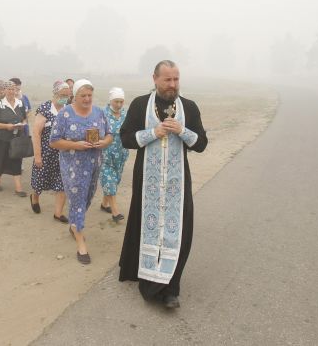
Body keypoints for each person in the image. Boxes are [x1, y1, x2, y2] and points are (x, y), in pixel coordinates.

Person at [118, 60, 208, 310]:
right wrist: (152, 133)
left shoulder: (188, 107)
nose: (172, 85)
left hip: (177, 184)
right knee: (145, 226)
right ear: (155, 79)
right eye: (167, 79)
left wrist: (182, 130)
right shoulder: (139, 105)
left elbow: (201, 144)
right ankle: (147, 278)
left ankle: (170, 289)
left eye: (176, 79)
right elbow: (125, 138)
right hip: (147, 181)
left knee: (178, 232)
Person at [49, 79, 112, 265]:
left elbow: (109, 134)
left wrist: (104, 142)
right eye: (83, 95)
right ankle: (81, 243)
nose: (86, 99)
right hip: (73, 167)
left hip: (94, 164)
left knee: (87, 198)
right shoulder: (65, 114)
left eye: (89, 95)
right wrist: (75, 145)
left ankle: (75, 225)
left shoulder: (99, 112)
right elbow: (54, 141)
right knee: (77, 200)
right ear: (74, 96)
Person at [30, 81, 70, 222]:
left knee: (62, 183)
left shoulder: (68, 109)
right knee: (40, 180)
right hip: (46, 152)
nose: (65, 97)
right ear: (55, 93)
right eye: (62, 95)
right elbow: (36, 133)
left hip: (63, 154)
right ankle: (35, 196)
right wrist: (37, 156)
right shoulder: (45, 108)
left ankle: (58, 213)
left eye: (67, 95)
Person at [0, 81, 28, 196]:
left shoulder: (20, 103)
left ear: (16, 91)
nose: (11, 91)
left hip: (16, 139)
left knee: (16, 161)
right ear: (4, 90)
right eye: (9, 89)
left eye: (13, 89)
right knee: (0, 160)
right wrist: (6, 126)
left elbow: (24, 118)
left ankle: (18, 188)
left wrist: (22, 124)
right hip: (1, 138)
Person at [100, 87, 130, 222]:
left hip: (121, 154)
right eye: (116, 101)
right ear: (110, 100)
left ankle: (104, 204)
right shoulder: (102, 114)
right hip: (105, 155)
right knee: (109, 181)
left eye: (121, 102)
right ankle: (115, 212)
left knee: (115, 181)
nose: (118, 105)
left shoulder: (126, 115)